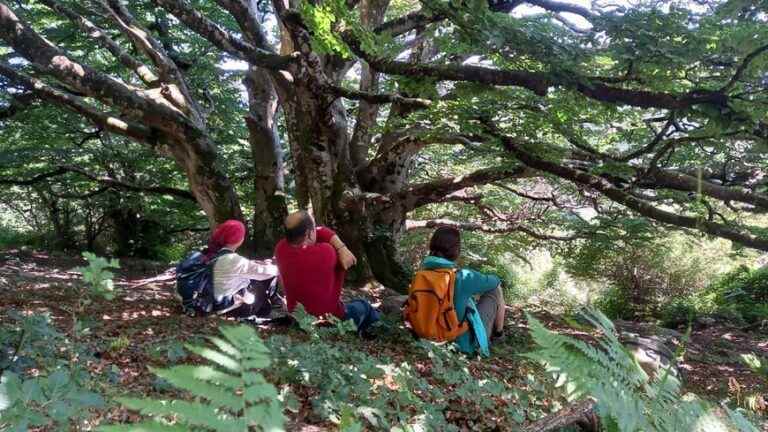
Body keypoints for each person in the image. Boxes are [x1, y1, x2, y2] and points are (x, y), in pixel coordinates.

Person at [274, 211, 380, 335]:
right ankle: (374, 330)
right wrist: (341, 247)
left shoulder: (280, 249)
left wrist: (340, 247)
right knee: (364, 305)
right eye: (313, 229)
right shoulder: (326, 252)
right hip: (331, 320)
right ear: (308, 234)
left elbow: (320, 230)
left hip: (299, 318)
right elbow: (324, 233)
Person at [419, 226, 505, 356]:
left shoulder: (422, 274)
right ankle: (499, 334)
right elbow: (496, 281)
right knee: (495, 290)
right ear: (456, 250)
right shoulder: (463, 276)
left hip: (426, 336)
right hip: (462, 344)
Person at [205, 219, 280, 318]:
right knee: (259, 285)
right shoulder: (233, 259)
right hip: (229, 309)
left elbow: (242, 267)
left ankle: (269, 307)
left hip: (210, 303)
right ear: (239, 240)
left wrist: (258, 263)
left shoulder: (212, 255)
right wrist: (278, 266)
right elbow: (264, 273)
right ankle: (268, 311)